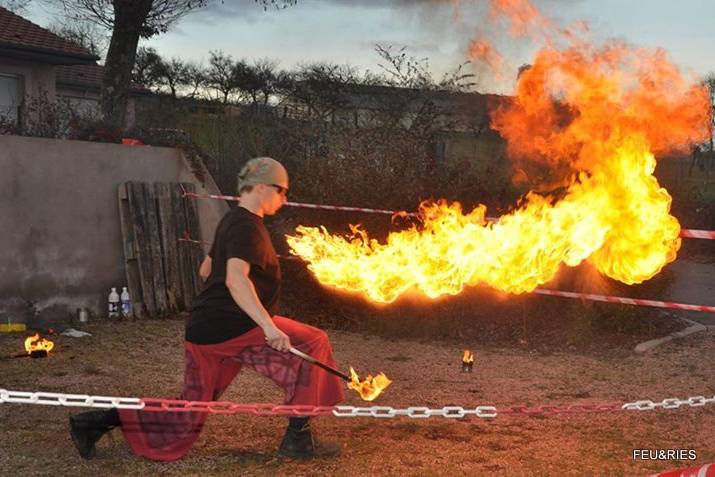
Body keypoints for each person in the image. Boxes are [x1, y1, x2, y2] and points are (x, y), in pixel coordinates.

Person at [69, 157, 345, 461]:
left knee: (189, 410)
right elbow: (235, 280)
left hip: (209, 331)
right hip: (232, 328)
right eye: (281, 191)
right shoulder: (246, 227)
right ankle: (298, 440)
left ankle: (93, 423)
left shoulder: (232, 220)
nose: (284, 199)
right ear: (263, 187)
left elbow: (205, 270)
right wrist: (268, 326)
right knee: (314, 341)